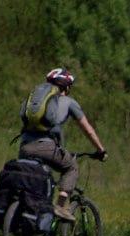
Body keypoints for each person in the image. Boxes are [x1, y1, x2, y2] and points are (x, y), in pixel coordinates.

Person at [18, 68, 107, 222]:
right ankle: (60, 206)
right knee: (70, 166)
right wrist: (101, 150)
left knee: (40, 181)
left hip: (24, 147)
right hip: (46, 148)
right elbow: (88, 130)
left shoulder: (35, 99)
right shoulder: (69, 102)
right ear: (66, 87)